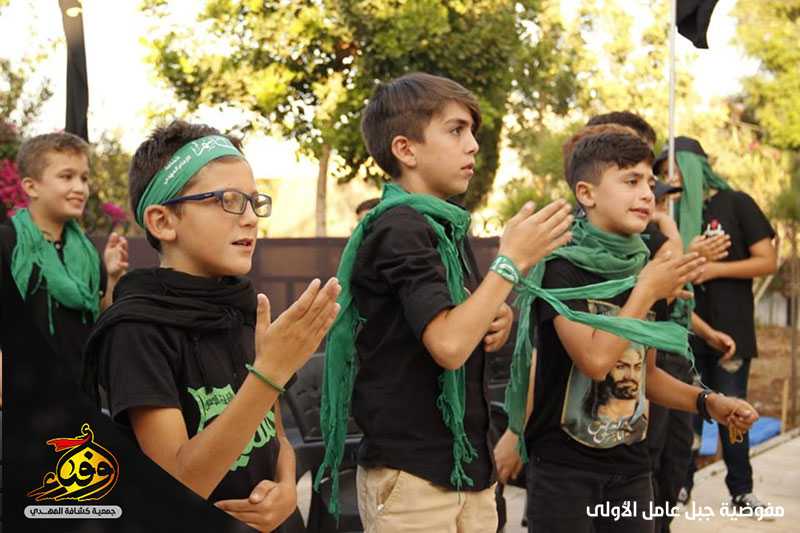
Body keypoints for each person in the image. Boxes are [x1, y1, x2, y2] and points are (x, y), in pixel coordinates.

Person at [315, 72, 573, 533]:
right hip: (415, 477)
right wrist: (510, 264)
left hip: (466, 467)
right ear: (405, 149)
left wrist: (495, 314)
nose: (473, 145)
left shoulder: (443, 226)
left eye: (472, 132)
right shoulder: (400, 226)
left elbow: (454, 321)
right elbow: (449, 346)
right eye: (456, 130)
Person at [82, 120, 340, 532]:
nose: (251, 218)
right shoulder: (136, 330)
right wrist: (271, 372)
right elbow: (178, 483)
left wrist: (287, 486)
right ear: (163, 221)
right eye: (228, 200)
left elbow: (274, 435)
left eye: (254, 201)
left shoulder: (242, 306)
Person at [501, 130, 758, 532]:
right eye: (631, 181)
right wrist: (646, 290)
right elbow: (596, 361)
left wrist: (708, 402)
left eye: (650, 184)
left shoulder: (643, 266)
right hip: (565, 473)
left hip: (632, 470)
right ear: (587, 194)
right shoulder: (562, 267)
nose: (646, 195)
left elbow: (646, 375)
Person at [654, 136, 778, 516]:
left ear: (695, 166)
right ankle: (681, 485)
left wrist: (712, 269)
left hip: (730, 331)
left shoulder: (735, 203)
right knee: (687, 412)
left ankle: (741, 491)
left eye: (675, 169)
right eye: (663, 172)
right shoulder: (667, 212)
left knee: (734, 411)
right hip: (683, 330)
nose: (670, 178)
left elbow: (767, 260)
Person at [0, 132, 128, 385]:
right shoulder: (7, 243)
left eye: (84, 178)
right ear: (31, 186)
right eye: (66, 177)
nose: (80, 188)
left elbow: (102, 318)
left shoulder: (85, 252)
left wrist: (113, 277)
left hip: (81, 394)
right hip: (21, 396)